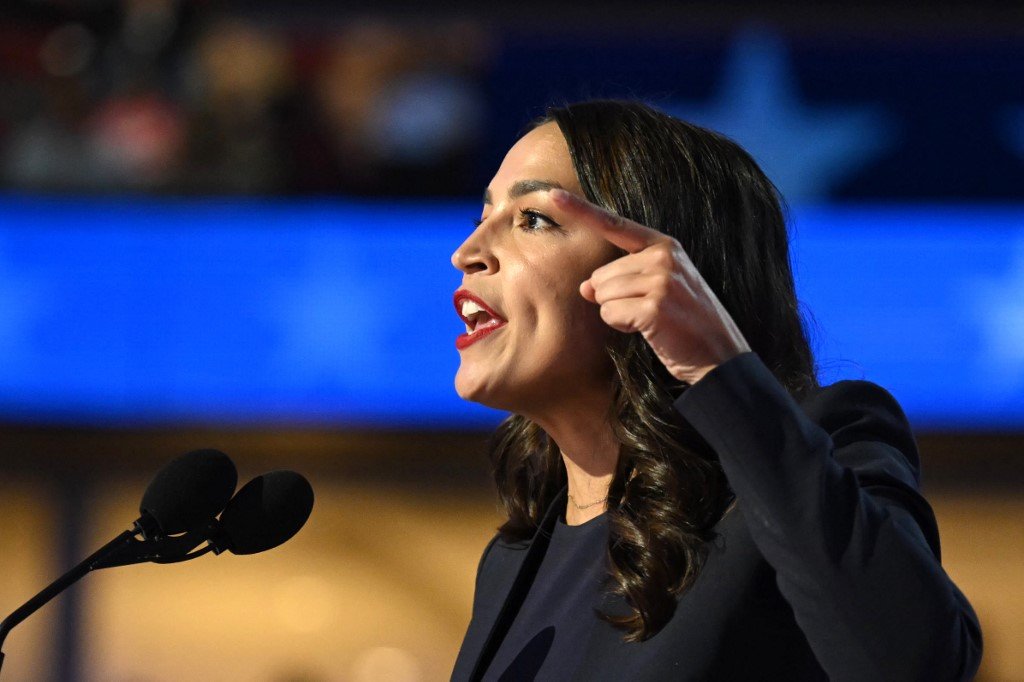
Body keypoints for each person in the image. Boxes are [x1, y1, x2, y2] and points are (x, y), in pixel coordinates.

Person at [448, 100, 982, 681]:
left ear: (665, 269)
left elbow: (914, 663)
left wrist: (718, 368)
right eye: (483, 215)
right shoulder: (513, 559)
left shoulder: (819, 447)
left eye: (533, 219)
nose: (467, 252)